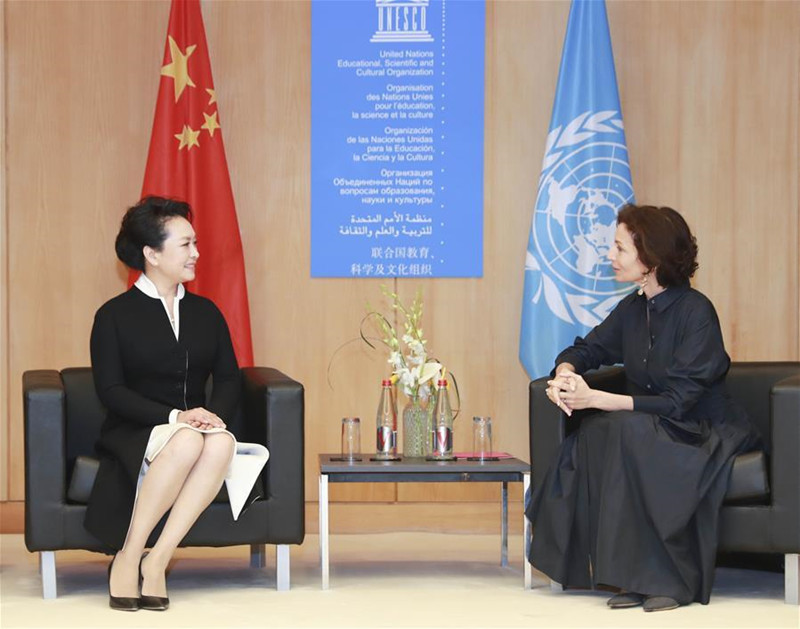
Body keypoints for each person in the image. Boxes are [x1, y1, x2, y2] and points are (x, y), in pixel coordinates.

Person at [526, 204, 762, 612]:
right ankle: (632, 577)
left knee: (623, 428)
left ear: (649, 258)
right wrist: (566, 372)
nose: (610, 256)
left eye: (619, 248)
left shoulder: (696, 312)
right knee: (603, 431)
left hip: (699, 427)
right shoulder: (634, 309)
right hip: (654, 426)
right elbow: (587, 349)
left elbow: (679, 402)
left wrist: (597, 398)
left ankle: (671, 580)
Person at [85, 196, 243, 611]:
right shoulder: (113, 316)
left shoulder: (206, 312)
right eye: (185, 245)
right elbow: (112, 392)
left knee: (220, 442)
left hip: (195, 429)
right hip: (136, 427)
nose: (197, 253)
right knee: (188, 441)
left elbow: (228, 377)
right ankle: (129, 556)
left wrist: (214, 416)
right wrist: (176, 417)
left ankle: (157, 560)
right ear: (151, 254)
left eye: (195, 243)